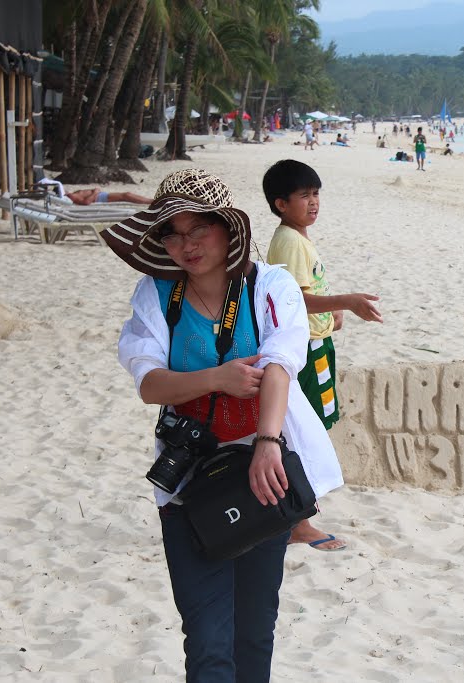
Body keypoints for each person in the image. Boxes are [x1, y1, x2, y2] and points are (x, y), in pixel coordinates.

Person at [105, 168, 343, 680]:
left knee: (254, 630)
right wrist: (219, 378)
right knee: (207, 638)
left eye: (199, 229)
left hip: (264, 473)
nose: (186, 244)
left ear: (226, 229)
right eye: (173, 232)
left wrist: (267, 442)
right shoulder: (157, 295)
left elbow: (281, 363)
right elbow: (150, 384)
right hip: (190, 478)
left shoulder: (270, 286)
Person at [263, 160, 383, 550]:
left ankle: (297, 514)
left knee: (311, 426)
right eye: (304, 196)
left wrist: (331, 315)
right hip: (306, 351)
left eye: (316, 194)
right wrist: (344, 302)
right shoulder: (289, 241)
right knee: (303, 432)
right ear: (281, 203)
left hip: (317, 344)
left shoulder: (298, 238)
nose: (313, 203)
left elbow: (304, 294)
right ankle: (298, 521)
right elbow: (295, 297)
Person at [65, 187, 153, 205]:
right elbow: (86, 202)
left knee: (127, 195)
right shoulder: (71, 196)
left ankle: (150, 201)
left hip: (101, 195)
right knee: (126, 195)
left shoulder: (72, 194)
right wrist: (95, 192)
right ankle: (150, 201)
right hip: (100, 198)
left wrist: (95, 190)